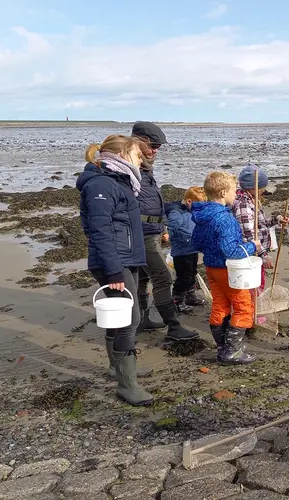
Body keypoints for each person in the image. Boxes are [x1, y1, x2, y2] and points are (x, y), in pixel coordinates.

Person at [76, 134, 154, 406]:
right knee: (129, 320)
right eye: (136, 156)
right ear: (121, 156)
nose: (140, 160)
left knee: (119, 318)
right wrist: (113, 272)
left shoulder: (120, 182)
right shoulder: (101, 185)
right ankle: (127, 384)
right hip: (114, 261)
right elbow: (99, 230)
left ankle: (117, 368)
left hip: (124, 258)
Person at [130, 121, 199, 341]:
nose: (156, 151)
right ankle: (173, 326)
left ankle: (142, 320)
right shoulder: (128, 167)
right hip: (140, 232)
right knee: (163, 277)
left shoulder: (143, 166)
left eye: (159, 147)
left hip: (150, 229)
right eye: (153, 145)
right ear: (137, 140)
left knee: (141, 277)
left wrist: (161, 225)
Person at [191, 172, 261, 364]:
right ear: (223, 193)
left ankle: (222, 347)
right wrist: (252, 246)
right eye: (234, 192)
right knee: (243, 307)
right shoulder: (225, 219)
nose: (236, 195)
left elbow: (195, 242)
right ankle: (232, 351)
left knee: (220, 305)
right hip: (229, 270)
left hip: (211, 268)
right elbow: (231, 250)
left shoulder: (202, 216)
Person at [232, 164, 289, 323]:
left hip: (256, 252)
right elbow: (248, 233)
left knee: (259, 281)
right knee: (252, 282)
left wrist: (277, 220)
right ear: (252, 187)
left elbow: (261, 224)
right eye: (262, 187)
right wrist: (263, 255)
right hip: (249, 254)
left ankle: (253, 309)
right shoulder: (243, 204)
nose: (264, 190)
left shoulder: (253, 200)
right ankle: (251, 313)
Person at [164, 186, 208, 313]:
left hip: (192, 249)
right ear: (189, 201)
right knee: (184, 277)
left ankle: (190, 296)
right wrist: (167, 234)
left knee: (192, 273)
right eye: (198, 205)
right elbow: (171, 226)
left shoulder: (192, 211)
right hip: (182, 251)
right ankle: (177, 299)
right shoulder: (176, 212)